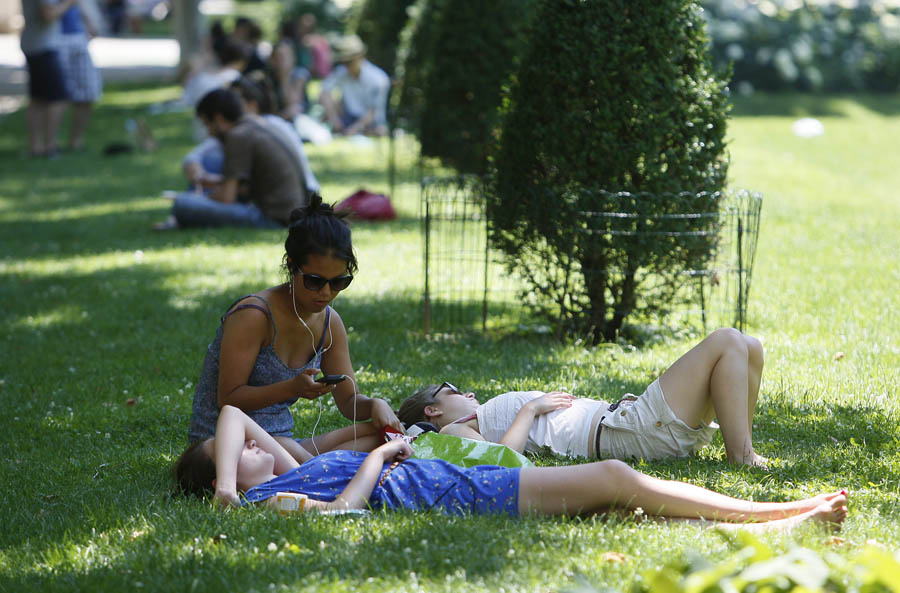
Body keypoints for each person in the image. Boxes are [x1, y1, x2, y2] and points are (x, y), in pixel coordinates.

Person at [175, 405, 848, 534]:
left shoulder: (279, 472)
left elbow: (233, 412)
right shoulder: (276, 497)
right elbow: (345, 514)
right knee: (614, 475)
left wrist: (229, 482)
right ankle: (778, 514)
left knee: (614, 494)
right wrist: (378, 455)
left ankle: (775, 517)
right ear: (222, 478)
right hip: (449, 490)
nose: (261, 443)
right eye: (237, 457)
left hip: (445, 480)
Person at [187, 196, 401, 462]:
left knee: (382, 435)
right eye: (314, 281)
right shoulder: (254, 315)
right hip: (228, 448)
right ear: (291, 265)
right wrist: (292, 388)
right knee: (344, 454)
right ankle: (314, 468)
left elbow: (348, 402)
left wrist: (374, 404)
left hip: (283, 444)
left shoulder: (329, 323)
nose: (325, 293)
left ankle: (311, 466)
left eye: (338, 282)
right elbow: (229, 399)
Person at [398, 328, 769, 467]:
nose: (468, 393)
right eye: (453, 391)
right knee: (726, 341)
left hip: (631, 423)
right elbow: (502, 463)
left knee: (749, 346)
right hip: (631, 432)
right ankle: (742, 456)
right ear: (434, 410)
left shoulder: (471, 419)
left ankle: (743, 447)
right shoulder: (454, 432)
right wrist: (530, 409)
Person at [155, 88, 308, 230]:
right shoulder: (257, 124)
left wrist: (201, 198)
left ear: (219, 118)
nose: (209, 133)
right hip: (292, 211)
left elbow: (227, 197)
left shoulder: (238, 136)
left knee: (182, 204)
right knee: (210, 166)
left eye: (208, 125)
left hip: (273, 219)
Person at [180, 75, 319, 199]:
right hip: (292, 199)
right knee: (212, 159)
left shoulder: (242, 133)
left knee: (185, 203)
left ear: (252, 104)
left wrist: (202, 198)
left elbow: (227, 197)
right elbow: (195, 156)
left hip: (293, 199)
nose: (232, 107)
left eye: (236, 102)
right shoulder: (252, 127)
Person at [20, 0, 77, 157]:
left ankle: (35, 147)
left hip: (34, 45)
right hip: (43, 47)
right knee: (58, 98)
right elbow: (49, 14)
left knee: (38, 99)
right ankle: (49, 147)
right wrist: (69, 3)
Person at [319, 35, 389, 137]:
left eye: (349, 61)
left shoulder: (378, 79)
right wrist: (335, 121)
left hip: (370, 123)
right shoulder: (341, 73)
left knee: (380, 130)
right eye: (344, 62)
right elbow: (324, 92)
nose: (346, 66)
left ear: (360, 57)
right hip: (347, 119)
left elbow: (374, 112)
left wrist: (355, 129)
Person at [58, 0, 102, 151]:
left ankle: (76, 142)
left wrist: (89, 23)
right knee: (59, 97)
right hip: (57, 40)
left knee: (88, 92)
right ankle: (49, 143)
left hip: (78, 37)